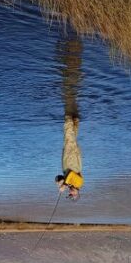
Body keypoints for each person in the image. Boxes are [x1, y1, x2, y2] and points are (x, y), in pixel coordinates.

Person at [55, 33, 83, 201]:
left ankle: (73, 119)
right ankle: (68, 118)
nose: (71, 193)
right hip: (72, 157)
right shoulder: (79, 183)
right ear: (77, 193)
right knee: (69, 136)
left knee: (71, 135)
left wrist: (59, 183)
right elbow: (72, 174)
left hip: (68, 156)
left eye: (70, 194)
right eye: (73, 195)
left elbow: (58, 176)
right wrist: (66, 184)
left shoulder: (70, 184)